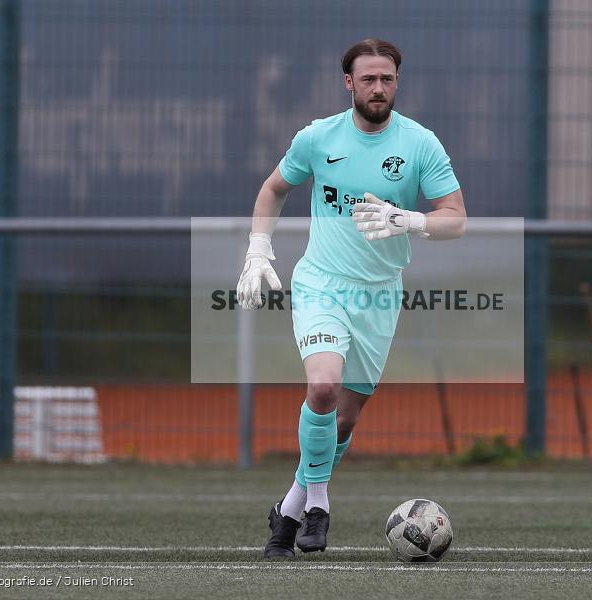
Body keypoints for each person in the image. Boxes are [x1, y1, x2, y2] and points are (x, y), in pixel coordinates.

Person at [236, 38, 466, 560]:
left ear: (396, 82)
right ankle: (318, 504)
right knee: (323, 387)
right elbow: (273, 188)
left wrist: (410, 220)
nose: (378, 87)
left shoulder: (420, 144)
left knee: (343, 419)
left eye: (387, 79)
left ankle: (289, 508)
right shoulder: (318, 138)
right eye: (368, 79)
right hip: (322, 283)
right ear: (349, 83)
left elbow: (455, 216)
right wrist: (257, 251)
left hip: (380, 296)